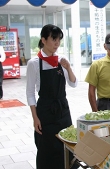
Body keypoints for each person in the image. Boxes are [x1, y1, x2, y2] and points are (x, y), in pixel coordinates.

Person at [26, 24, 78, 169]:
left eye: (59, 39)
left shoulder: (61, 60)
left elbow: (73, 84)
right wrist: (35, 118)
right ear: (43, 40)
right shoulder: (34, 63)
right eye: (53, 39)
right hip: (45, 110)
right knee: (47, 147)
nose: (57, 43)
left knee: (66, 144)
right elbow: (30, 93)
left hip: (63, 109)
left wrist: (68, 68)